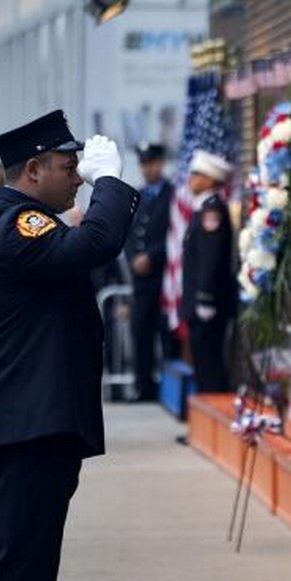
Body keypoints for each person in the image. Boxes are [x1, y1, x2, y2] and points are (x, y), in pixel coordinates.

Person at [0, 110, 138, 581]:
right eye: (69, 166)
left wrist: (100, 195)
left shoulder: (18, 221)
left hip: (30, 424)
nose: (78, 176)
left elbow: (78, 244)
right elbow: (94, 244)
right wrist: (110, 182)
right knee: (17, 576)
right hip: (24, 427)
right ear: (34, 170)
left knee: (30, 573)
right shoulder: (16, 223)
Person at [125, 141, 176, 401]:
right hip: (141, 280)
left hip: (164, 278)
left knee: (167, 335)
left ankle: (169, 389)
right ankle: (143, 386)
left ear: (161, 163)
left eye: (151, 163)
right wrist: (133, 258)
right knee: (141, 332)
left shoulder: (172, 194)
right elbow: (129, 233)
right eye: (143, 164)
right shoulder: (137, 196)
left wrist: (152, 256)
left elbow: (174, 234)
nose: (147, 169)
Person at [179, 150, 234, 392]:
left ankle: (213, 408)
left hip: (208, 304)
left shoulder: (212, 210)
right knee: (202, 364)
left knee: (210, 364)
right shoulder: (202, 208)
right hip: (199, 302)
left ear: (211, 179)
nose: (190, 179)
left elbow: (211, 258)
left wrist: (205, 298)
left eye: (196, 174)